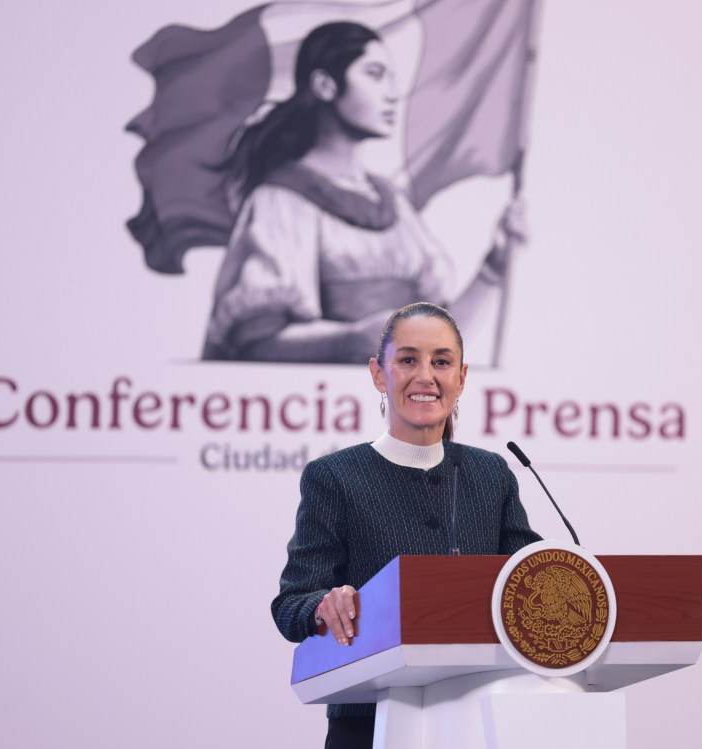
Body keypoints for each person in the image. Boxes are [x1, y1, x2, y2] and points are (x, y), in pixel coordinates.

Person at [271, 302, 541, 748]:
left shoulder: (491, 474)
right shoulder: (334, 477)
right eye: (408, 360)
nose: (426, 376)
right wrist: (324, 606)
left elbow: (530, 578)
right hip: (369, 725)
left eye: (441, 362)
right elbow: (290, 605)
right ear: (379, 374)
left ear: (462, 378)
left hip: (477, 724)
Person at [202, 22, 524, 363]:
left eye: (391, 78)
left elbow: (440, 345)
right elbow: (257, 343)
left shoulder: (393, 203)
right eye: (375, 75)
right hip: (322, 395)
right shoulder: (281, 200)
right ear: (325, 85)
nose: (392, 94)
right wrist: (352, 340)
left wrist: (493, 266)